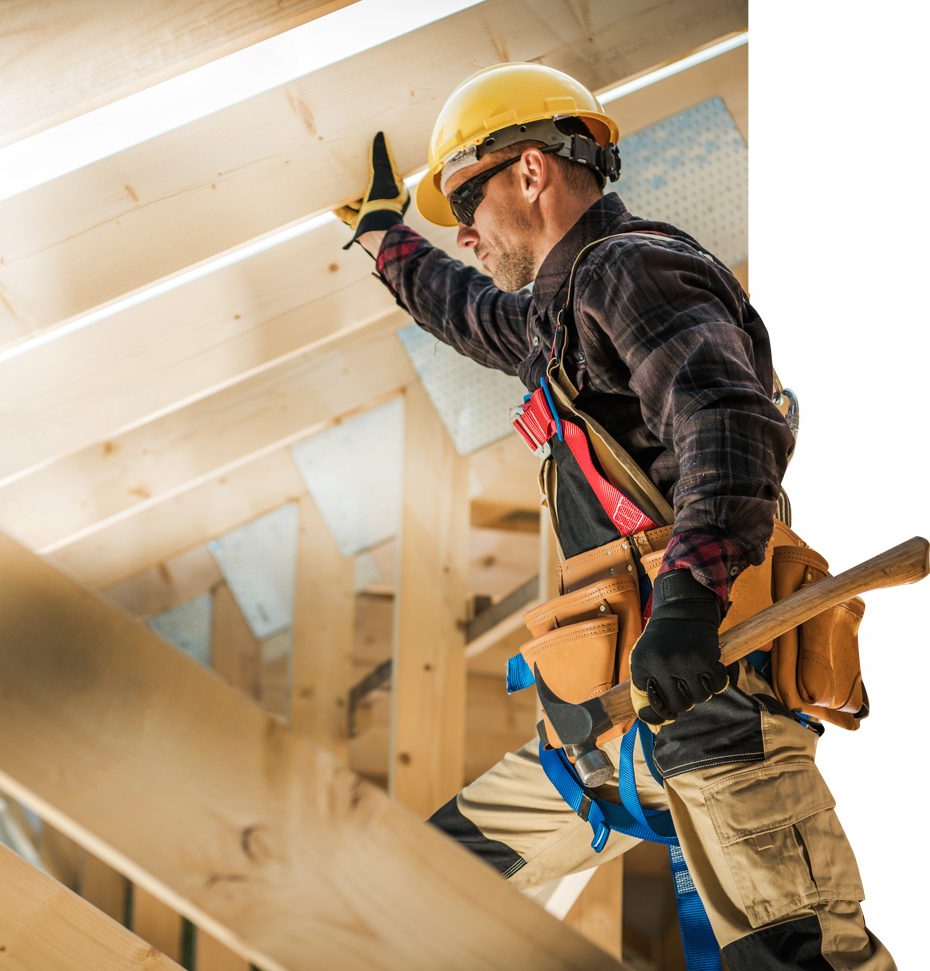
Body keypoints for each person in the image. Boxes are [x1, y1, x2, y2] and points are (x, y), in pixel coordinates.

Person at [337, 62, 891, 968]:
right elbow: (470, 314)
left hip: (714, 715)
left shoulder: (634, 270)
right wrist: (383, 238)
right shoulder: (556, 317)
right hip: (611, 732)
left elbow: (727, 422)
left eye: (466, 199)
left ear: (530, 171)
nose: (466, 231)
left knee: (799, 961)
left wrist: (686, 603)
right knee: (410, 882)